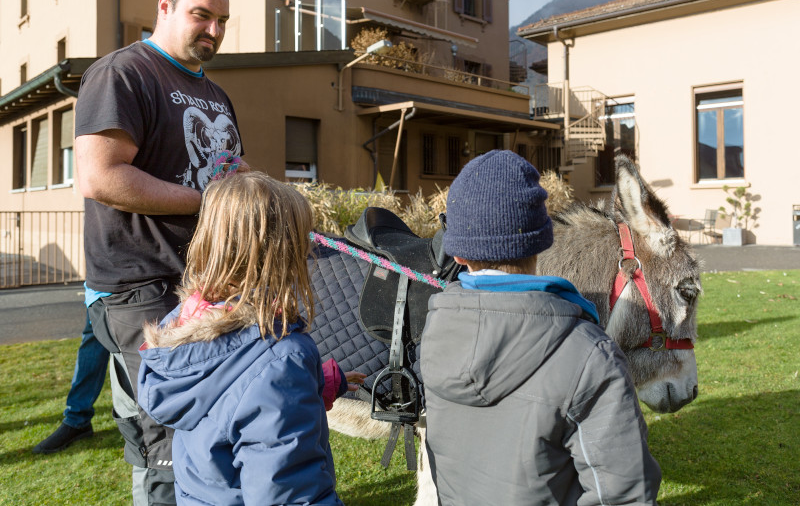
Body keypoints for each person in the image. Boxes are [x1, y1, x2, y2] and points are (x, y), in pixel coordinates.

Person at [73, 0, 246, 503]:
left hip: (202, 282)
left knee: (207, 425)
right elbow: (100, 176)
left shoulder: (215, 94)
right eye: (202, 15)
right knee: (167, 440)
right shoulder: (123, 74)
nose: (214, 31)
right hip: (139, 288)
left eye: (222, 21)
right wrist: (206, 201)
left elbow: (228, 173)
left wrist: (266, 201)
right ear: (165, 7)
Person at [420, 150, 662, 505]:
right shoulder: (590, 356)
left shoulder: (436, 330)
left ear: (456, 254)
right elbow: (625, 495)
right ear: (543, 242)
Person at [137, 172, 363, 505]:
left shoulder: (184, 321)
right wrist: (290, 379)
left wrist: (318, 384)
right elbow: (288, 493)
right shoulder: (281, 358)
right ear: (282, 254)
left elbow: (233, 400)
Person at [32, 302, 109, 454]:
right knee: (93, 339)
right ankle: (77, 419)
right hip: (99, 293)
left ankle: (147, 421)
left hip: (139, 293)